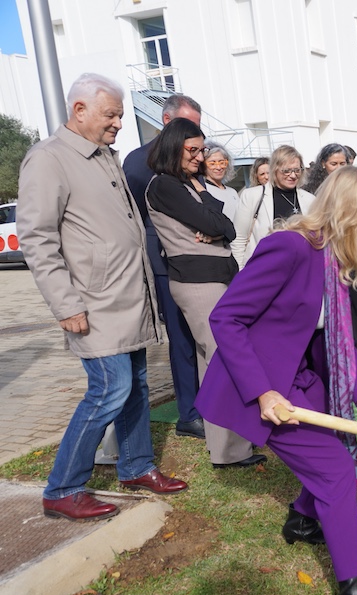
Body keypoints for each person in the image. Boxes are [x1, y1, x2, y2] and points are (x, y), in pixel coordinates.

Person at [195, 166, 357, 595]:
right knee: (337, 472)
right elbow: (227, 317)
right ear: (349, 215)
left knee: (336, 450)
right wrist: (263, 392)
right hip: (264, 382)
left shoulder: (334, 256)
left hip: (303, 373)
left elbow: (338, 340)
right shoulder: (291, 248)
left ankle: (302, 518)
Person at [19, 73, 189, 521]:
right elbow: (36, 238)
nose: (119, 123)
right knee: (108, 391)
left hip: (126, 296)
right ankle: (63, 488)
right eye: (110, 114)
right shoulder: (49, 159)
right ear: (79, 111)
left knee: (135, 387)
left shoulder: (103, 156)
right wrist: (66, 303)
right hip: (92, 302)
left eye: (118, 114)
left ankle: (136, 465)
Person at [145, 119, 264, 469]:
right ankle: (229, 451)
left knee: (213, 360)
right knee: (223, 360)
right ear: (173, 147)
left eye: (201, 150)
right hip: (198, 283)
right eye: (193, 150)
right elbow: (217, 224)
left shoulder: (187, 183)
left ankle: (226, 449)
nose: (200, 157)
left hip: (214, 278)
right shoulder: (165, 186)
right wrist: (212, 223)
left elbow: (226, 225)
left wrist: (213, 222)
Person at [123, 93, 204, 440]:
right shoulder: (138, 162)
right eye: (189, 126)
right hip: (165, 263)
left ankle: (215, 402)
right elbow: (134, 218)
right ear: (169, 121)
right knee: (183, 339)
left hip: (204, 260)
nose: (196, 139)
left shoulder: (196, 157)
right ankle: (190, 412)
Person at [303, 143, 357, 362]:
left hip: (355, 247)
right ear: (323, 165)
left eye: (342, 163)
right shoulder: (313, 190)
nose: (338, 167)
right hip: (327, 248)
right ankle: (335, 345)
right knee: (332, 298)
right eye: (333, 164)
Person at [232, 145, 316, 268]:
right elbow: (239, 238)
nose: (293, 175)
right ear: (274, 169)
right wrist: (241, 272)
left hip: (300, 269)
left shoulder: (310, 200)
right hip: (263, 269)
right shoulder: (252, 196)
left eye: (297, 170)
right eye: (286, 170)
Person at [203, 142, 239, 220]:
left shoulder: (233, 192)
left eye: (222, 162)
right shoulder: (203, 190)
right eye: (212, 163)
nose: (218, 167)